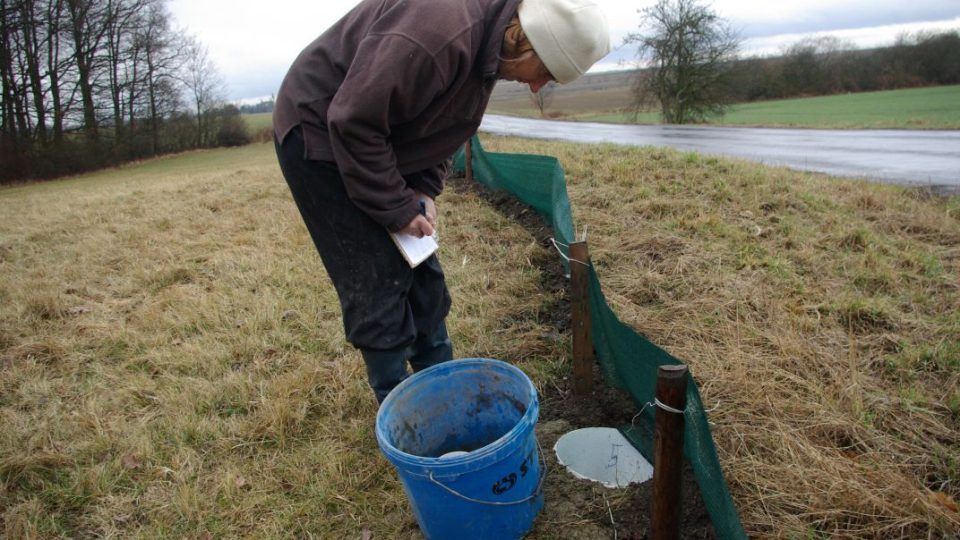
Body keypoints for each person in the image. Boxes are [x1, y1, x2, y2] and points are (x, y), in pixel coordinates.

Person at [273, 0, 609, 404]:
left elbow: (444, 125)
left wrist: (423, 190)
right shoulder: (439, 31)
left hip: (377, 134)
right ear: (528, 44)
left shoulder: (490, 43)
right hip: (320, 131)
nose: (538, 87)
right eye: (545, 74)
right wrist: (397, 209)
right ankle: (404, 410)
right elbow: (353, 120)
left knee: (419, 267)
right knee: (375, 274)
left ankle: (443, 389)